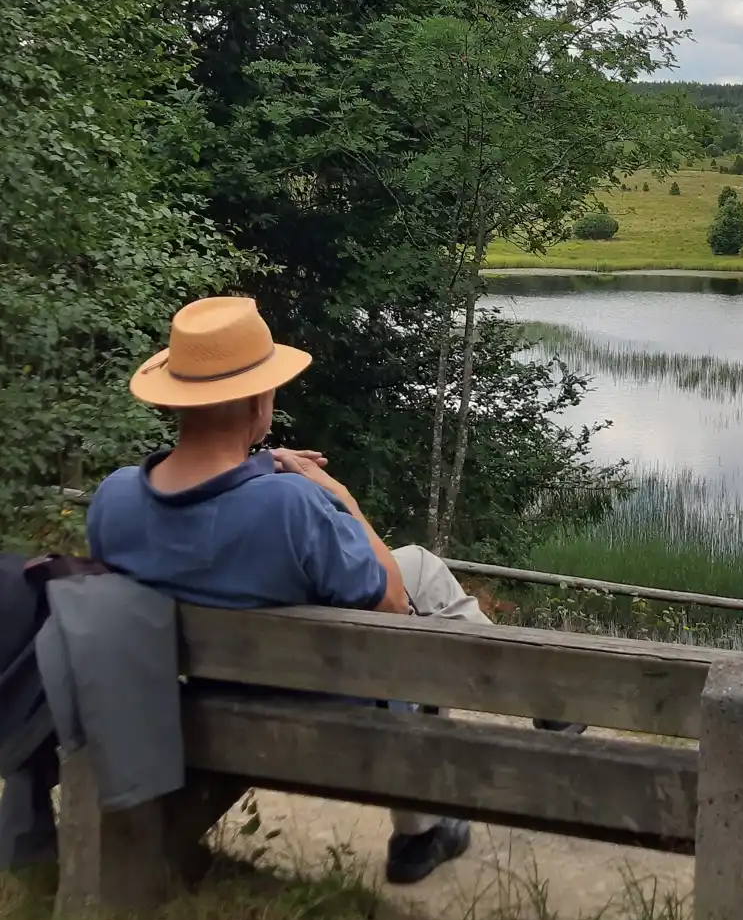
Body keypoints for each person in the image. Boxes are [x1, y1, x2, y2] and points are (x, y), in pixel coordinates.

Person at [87, 295, 480, 885]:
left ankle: (428, 826)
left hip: (199, 708)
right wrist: (338, 496)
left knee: (416, 567)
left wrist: (261, 465)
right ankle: (419, 834)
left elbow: (203, 525)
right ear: (257, 401)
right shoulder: (293, 507)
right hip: (329, 720)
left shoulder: (114, 500)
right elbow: (393, 600)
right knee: (416, 580)